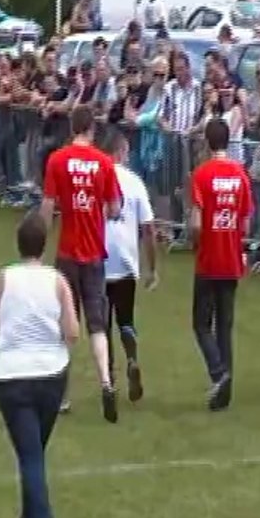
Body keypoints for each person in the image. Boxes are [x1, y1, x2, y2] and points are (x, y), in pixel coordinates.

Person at [0, 212, 78, 518]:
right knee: (34, 451)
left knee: (30, 454)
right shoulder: (57, 282)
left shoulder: (4, 278)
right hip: (50, 375)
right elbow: (72, 331)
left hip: (12, 375)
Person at [41, 104, 122, 422]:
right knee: (97, 324)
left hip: (67, 253)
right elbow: (115, 208)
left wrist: (41, 242)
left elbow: (48, 207)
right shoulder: (104, 163)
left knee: (65, 326)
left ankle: (62, 394)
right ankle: (105, 381)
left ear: (72, 128)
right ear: (92, 129)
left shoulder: (57, 160)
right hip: (94, 254)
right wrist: (101, 211)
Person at [189, 118, 253, 411]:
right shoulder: (240, 175)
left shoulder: (202, 175)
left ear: (207, 141)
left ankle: (218, 373)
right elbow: (247, 220)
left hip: (209, 258)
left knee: (201, 323)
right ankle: (224, 391)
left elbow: (196, 223)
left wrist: (196, 242)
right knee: (225, 325)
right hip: (231, 257)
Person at [100, 131, 158, 402]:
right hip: (125, 260)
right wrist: (152, 267)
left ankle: (109, 377)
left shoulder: (96, 177)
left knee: (102, 322)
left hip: (99, 258)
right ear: (123, 153)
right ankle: (132, 358)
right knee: (126, 318)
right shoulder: (134, 182)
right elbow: (148, 227)